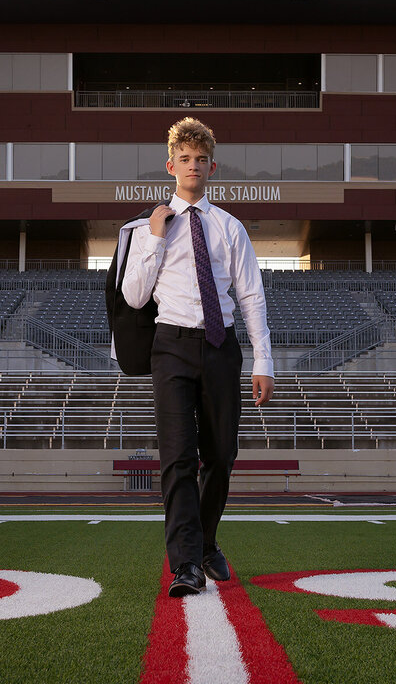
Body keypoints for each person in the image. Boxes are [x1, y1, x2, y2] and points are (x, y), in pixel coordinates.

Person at [120, 117, 274, 597]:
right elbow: (133, 297)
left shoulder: (229, 227)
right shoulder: (146, 228)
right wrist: (154, 238)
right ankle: (186, 563)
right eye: (184, 159)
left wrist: (263, 362)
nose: (193, 166)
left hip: (220, 345)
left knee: (222, 456)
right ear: (171, 165)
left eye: (201, 160)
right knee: (178, 459)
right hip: (170, 346)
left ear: (212, 167)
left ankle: (206, 543)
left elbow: (251, 296)